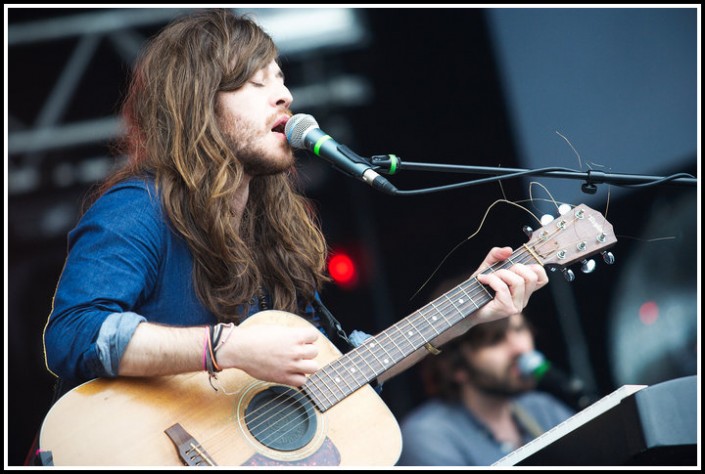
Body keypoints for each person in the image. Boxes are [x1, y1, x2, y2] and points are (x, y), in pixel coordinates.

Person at [39, 7, 548, 461]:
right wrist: (226, 349)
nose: (284, 94)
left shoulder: (269, 235)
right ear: (199, 103)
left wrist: (466, 313)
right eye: (255, 82)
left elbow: (340, 375)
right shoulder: (139, 208)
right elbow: (75, 333)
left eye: (280, 78)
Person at [396, 310, 575, 466]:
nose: (520, 348)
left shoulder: (542, 408)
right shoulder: (429, 435)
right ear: (458, 367)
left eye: (520, 329)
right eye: (495, 340)